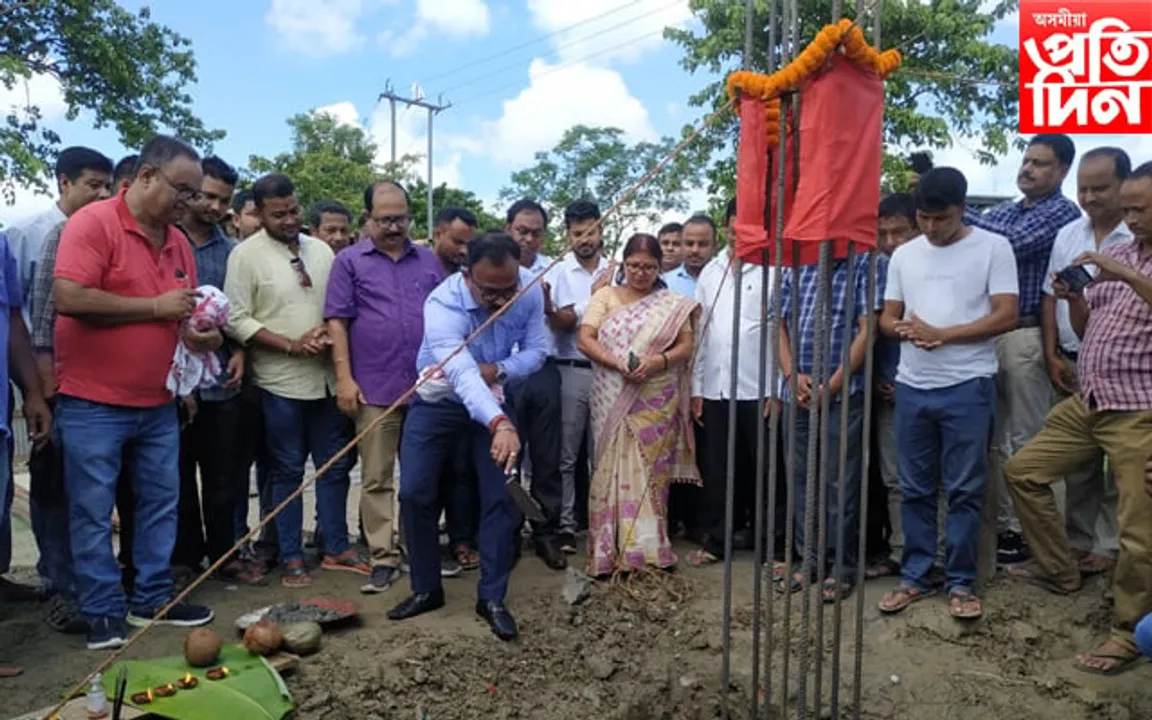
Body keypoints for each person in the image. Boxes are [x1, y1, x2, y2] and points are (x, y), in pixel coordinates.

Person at [53, 135, 219, 649]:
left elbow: (181, 317)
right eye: (183, 191)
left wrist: (195, 340)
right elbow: (69, 297)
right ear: (146, 176)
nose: (189, 204)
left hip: (157, 402)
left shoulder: (179, 245)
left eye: (194, 195)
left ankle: (152, 598)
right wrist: (153, 309)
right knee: (92, 509)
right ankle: (102, 610)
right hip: (91, 401)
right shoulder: (94, 223)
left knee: (160, 504)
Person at [1002, 161, 1152, 676]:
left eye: (1139, 208)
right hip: (1090, 399)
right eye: (1126, 207)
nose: (1129, 218)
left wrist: (1128, 276)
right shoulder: (1118, 252)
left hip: (1140, 412)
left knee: (1138, 530)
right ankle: (1062, 570)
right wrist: (1076, 298)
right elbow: (1089, 327)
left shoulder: (1126, 263)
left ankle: (1129, 632)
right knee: (1022, 471)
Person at [388, 232, 549, 642]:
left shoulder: (528, 289)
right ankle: (426, 588)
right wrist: (500, 423)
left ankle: (492, 597)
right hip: (438, 402)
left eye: (508, 289)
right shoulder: (442, 304)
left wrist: (498, 370)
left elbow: (537, 351)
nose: (501, 299)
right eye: (490, 291)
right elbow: (459, 374)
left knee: (499, 495)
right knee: (414, 492)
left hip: (495, 396)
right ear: (468, 276)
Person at [876, 168, 1019, 620]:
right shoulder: (905, 255)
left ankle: (960, 581)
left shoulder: (994, 247)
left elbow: (1007, 315)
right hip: (913, 386)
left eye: (942, 218)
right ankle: (916, 575)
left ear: (961, 209)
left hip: (968, 384)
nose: (932, 228)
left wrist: (946, 335)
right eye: (925, 218)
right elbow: (887, 317)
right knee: (915, 487)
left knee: (965, 488)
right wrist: (903, 330)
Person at [224, 173, 366, 588]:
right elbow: (235, 318)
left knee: (334, 466)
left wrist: (324, 333)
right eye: (278, 214)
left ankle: (336, 546)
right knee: (286, 471)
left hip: (325, 378)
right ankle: (290, 555)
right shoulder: (245, 256)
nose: (289, 220)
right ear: (260, 213)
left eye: (294, 211)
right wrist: (289, 344)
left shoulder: (320, 249)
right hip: (279, 381)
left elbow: (338, 306)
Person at [966, 134, 1082, 566]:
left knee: (1026, 438)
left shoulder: (1062, 213)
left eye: (1041, 163)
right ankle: (1005, 527)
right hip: (993, 335)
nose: (1028, 169)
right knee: (996, 438)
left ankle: (1029, 531)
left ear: (1063, 170)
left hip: (1029, 334)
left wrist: (964, 208)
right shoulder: (1010, 211)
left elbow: (1009, 243)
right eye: (1027, 160)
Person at [326, 181, 445, 594]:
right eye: (385, 219)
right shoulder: (349, 262)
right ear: (367, 219)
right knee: (377, 477)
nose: (394, 227)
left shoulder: (429, 261)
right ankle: (382, 555)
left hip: (426, 389)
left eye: (401, 218)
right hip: (373, 388)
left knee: (421, 477)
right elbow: (337, 321)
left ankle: (421, 550)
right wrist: (344, 377)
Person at [577, 233, 699, 575]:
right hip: (612, 391)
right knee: (606, 466)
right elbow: (585, 339)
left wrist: (658, 362)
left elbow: (686, 346)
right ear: (623, 264)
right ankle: (607, 548)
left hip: (655, 398)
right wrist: (617, 364)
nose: (640, 272)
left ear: (660, 267)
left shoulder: (671, 304)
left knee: (649, 471)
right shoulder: (605, 296)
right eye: (633, 265)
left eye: (649, 266)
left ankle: (646, 547)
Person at [1040, 147, 1131, 576]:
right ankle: (1078, 541)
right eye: (1083, 189)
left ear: (1124, 187)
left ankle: (1110, 545)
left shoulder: (1137, 239)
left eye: (1100, 188)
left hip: (1130, 371)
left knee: (1121, 468)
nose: (1090, 197)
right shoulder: (1068, 234)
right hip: (1076, 359)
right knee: (1079, 463)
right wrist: (1051, 351)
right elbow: (1049, 295)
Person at [776, 233, 876, 601]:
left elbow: (868, 330)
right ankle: (809, 560)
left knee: (840, 483)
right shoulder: (793, 264)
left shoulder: (862, 262)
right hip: (796, 392)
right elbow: (779, 326)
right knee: (800, 477)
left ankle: (841, 566)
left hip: (842, 392)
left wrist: (831, 385)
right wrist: (791, 376)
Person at [173, 156, 253, 584]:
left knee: (224, 475)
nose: (214, 207)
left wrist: (239, 350)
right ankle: (184, 559)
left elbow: (239, 313)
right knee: (179, 476)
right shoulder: (165, 240)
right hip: (173, 383)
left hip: (222, 382)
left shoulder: (233, 253)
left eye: (223, 200)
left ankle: (226, 556)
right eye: (206, 195)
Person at [687, 228, 783, 566]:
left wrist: (777, 387)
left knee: (766, 468)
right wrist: (697, 387)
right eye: (732, 230)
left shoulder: (774, 269)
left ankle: (773, 543)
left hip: (759, 387)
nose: (737, 237)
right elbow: (700, 332)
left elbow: (779, 330)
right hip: (716, 386)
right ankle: (718, 539)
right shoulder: (711, 273)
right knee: (719, 468)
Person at [504, 198, 567, 569]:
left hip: (543, 369)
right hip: (504, 372)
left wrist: (547, 304)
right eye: (521, 231)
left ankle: (547, 533)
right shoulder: (493, 264)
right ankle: (508, 533)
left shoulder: (554, 270)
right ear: (508, 228)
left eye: (535, 233)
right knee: (507, 457)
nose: (528, 239)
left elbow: (566, 323)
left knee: (547, 458)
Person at [548, 199, 610, 554]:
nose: (585, 239)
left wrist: (581, 308)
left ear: (602, 230)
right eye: (577, 233)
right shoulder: (558, 272)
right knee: (568, 455)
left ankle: (603, 522)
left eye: (591, 231)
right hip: (570, 369)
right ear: (568, 235)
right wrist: (596, 300)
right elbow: (559, 321)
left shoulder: (616, 269)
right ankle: (568, 525)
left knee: (602, 454)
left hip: (608, 372)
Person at [866, 193, 923, 579]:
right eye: (882, 233)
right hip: (888, 386)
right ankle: (901, 551)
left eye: (899, 232)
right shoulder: (874, 270)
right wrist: (885, 378)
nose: (891, 242)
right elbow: (876, 335)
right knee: (893, 477)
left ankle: (931, 556)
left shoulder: (930, 267)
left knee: (929, 478)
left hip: (927, 385)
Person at [663, 212, 719, 297]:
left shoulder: (726, 281)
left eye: (702, 244)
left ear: (714, 247)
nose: (695, 250)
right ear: (681, 244)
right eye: (689, 243)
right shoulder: (663, 283)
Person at [431, 207, 478, 275]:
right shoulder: (416, 270)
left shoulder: (472, 278)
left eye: (469, 244)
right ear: (438, 235)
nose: (464, 251)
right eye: (458, 242)